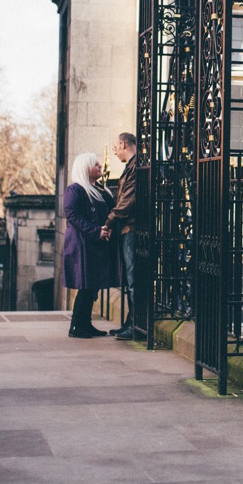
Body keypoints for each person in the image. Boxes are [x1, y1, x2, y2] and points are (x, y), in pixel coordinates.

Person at [63, 152, 117, 338]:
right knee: (85, 287)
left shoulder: (101, 191)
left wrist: (108, 229)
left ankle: (85, 324)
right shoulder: (75, 190)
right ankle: (76, 326)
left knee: (92, 286)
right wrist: (96, 231)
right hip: (82, 245)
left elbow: (113, 212)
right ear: (85, 168)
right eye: (95, 164)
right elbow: (72, 215)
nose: (100, 166)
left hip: (97, 245)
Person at [100, 132, 138, 339]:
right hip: (125, 229)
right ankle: (130, 322)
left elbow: (127, 202)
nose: (114, 151)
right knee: (129, 280)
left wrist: (109, 221)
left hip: (131, 229)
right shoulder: (131, 166)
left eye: (115, 147)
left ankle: (136, 325)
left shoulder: (135, 166)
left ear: (123, 144)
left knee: (133, 280)